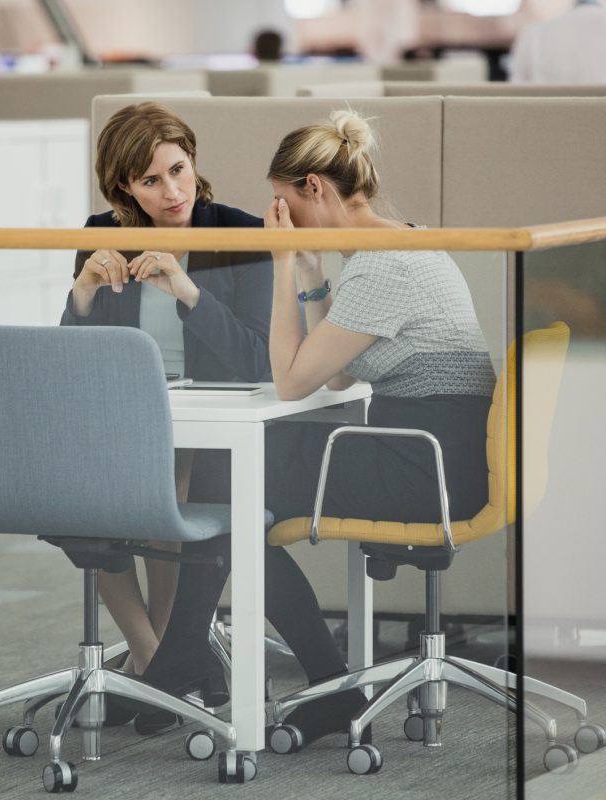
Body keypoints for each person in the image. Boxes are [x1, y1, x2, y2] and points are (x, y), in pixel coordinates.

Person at [132, 109, 496, 744]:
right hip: (431, 453)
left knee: (232, 481)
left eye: (283, 203)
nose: (280, 218)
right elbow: (335, 375)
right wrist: (307, 273)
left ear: (315, 190)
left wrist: (278, 266)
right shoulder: (397, 243)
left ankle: (215, 660)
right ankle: (195, 654)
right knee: (234, 479)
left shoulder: (386, 266)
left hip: (424, 467)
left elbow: (296, 379)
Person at [59, 102, 272, 712]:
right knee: (87, 498)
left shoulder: (237, 231)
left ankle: (152, 667)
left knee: (169, 480)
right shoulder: (102, 234)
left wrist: (187, 290)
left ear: (193, 160)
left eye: (178, 169)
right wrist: (81, 296)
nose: (173, 190)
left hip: (214, 421)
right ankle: (156, 660)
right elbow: (69, 359)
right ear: (124, 185)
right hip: (123, 413)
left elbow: (255, 357)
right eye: (151, 181)